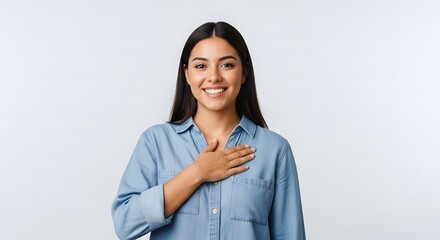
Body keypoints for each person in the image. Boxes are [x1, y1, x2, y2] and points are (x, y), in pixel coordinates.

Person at [112, 21, 306, 240]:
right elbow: (125, 224)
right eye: (201, 66)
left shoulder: (275, 150)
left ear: (244, 73)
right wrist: (197, 173)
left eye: (227, 65)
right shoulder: (155, 142)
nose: (214, 77)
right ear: (186, 74)